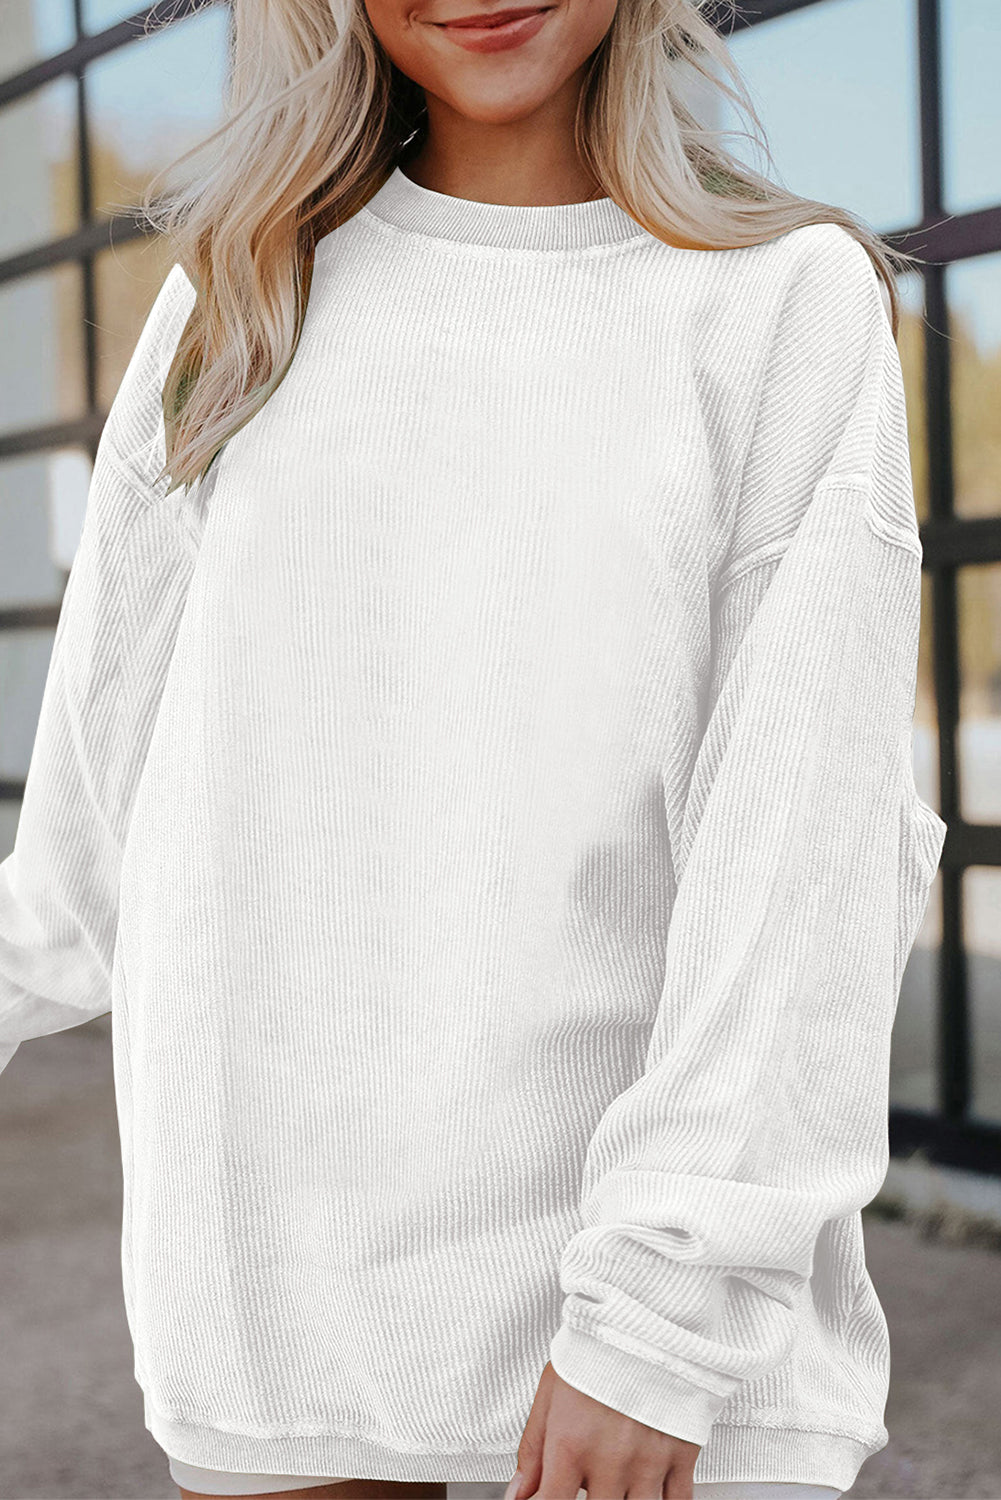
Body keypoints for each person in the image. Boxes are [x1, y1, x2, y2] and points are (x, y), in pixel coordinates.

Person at [0, 0, 948, 1494]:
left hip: (636, 1315)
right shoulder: (238, 300)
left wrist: (660, 1317)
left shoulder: (781, 304)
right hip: (276, 1284)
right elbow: (80, 861)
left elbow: (803, 856)